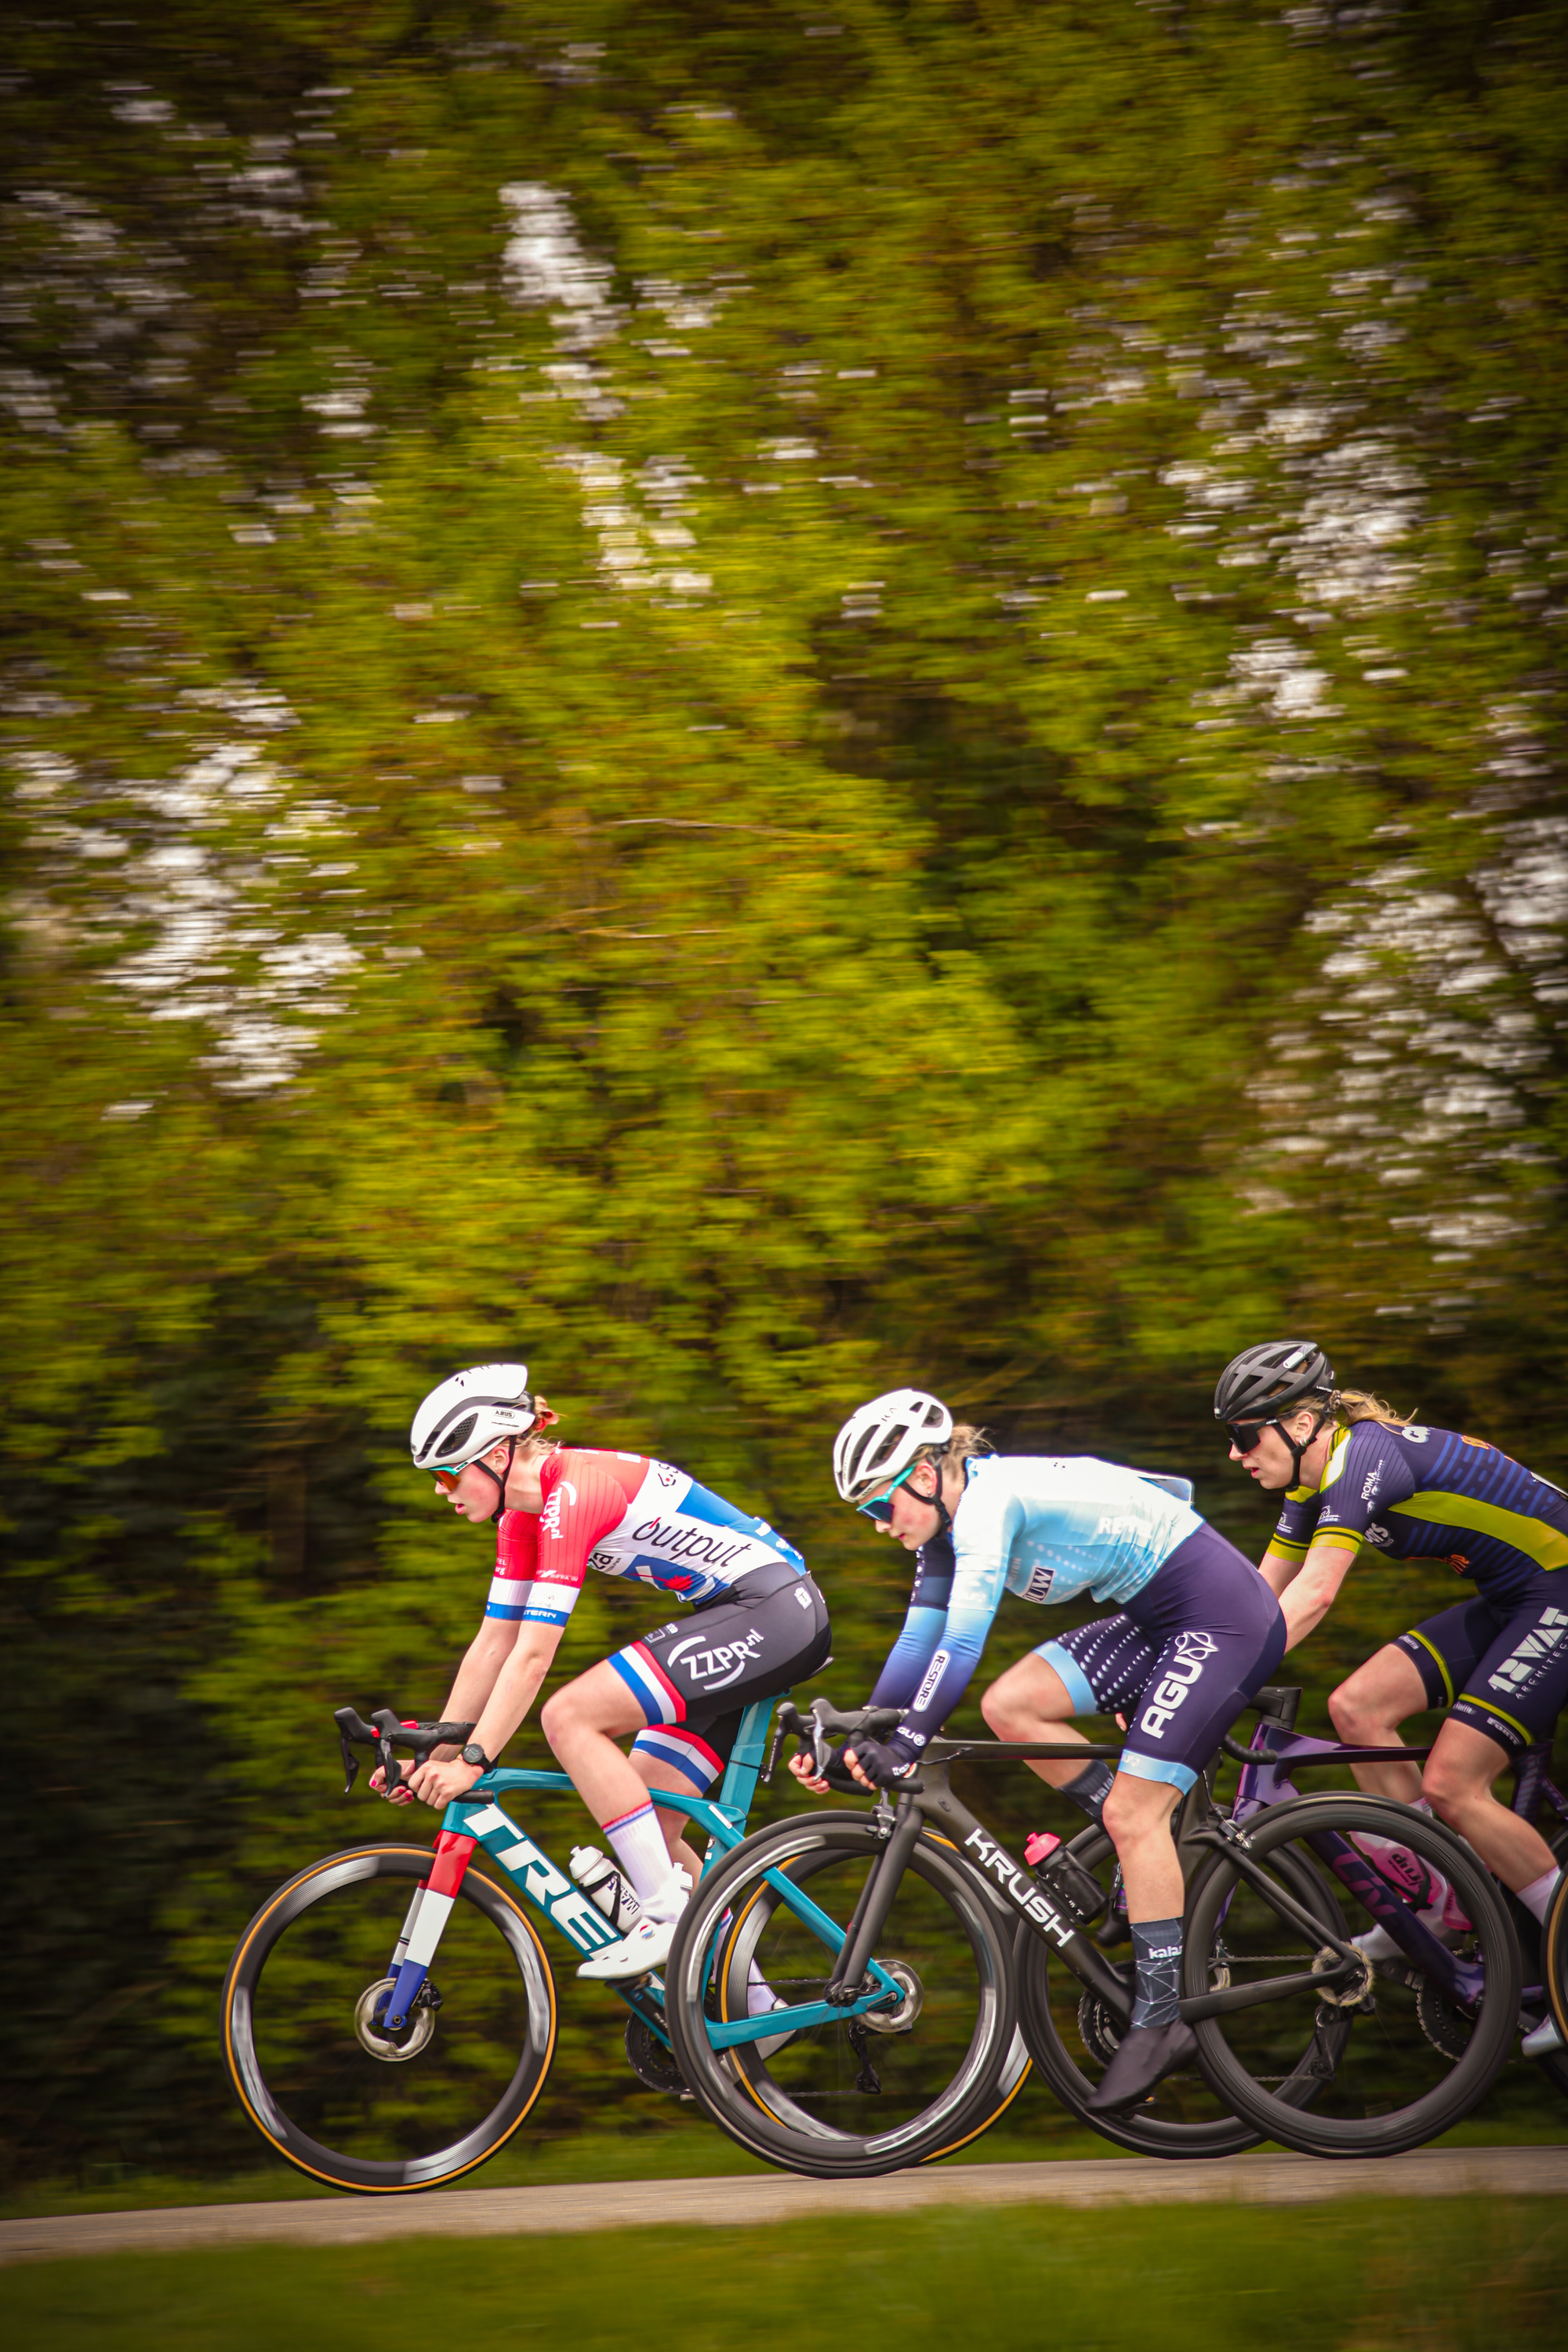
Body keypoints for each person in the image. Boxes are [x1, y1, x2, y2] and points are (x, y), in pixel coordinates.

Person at [795, 1387, 1287, 2114]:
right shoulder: (944, 1526)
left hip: (1222, 1620)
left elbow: (963, 1642)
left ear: (926, 1476)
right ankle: (1143, 1850)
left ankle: (1158, 2021)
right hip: (1159, 1618)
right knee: (1012, 1705)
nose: (877, 1526)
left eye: (879, 1505)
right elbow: (916, 1644)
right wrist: (867, 1738)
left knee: (1132, 1813)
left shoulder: (989, 1509)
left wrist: (906, 1741)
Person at [375, 1363, 831, 1978]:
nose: (439, 1489)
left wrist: (476, 1761)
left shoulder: (573, 1492)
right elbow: (493, 1644)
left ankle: (666, 1914)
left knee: (569, 1716)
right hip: (742, 1616)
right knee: (648, 1819)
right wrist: (437, 1753)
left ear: (500, 1455)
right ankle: (750, 2002)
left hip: (773, 1609)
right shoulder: (522, 1516)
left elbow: (534, 1657)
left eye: (448, 1471)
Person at [1215, 1338, 1567, 2057]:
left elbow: (1314, 1595)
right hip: (1514, 1596)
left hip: (1559, 1591)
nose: (1234, 1453)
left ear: (1302, 1423)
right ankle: (1442, 1904)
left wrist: (1222, 1688)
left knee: (1453, 1782)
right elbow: (1258, 1600)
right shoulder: (1310, 1482)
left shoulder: (1363, 1460)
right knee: (1357, 1711)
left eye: (1244, 1435)